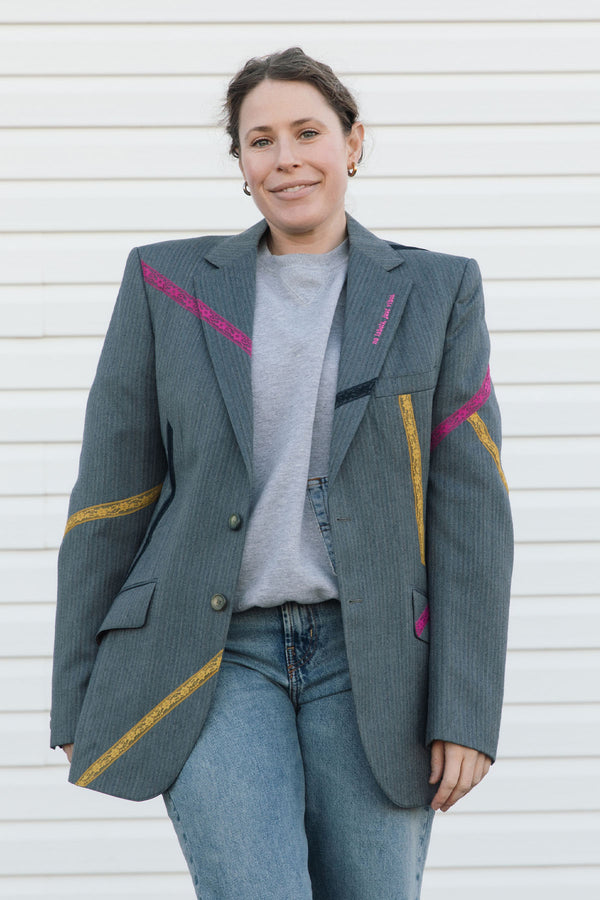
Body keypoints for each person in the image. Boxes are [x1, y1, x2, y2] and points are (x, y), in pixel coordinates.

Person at [51, 47, 513, 900]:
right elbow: (110, 497)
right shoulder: (167, 284)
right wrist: (78, 690)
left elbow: (470, 513)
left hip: (376, 664)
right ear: (240, 162)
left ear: (353, 142)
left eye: (308, 132)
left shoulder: (438, 291)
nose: (286, 158)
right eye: (260, 140)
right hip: (212, 656)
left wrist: (467, 708)